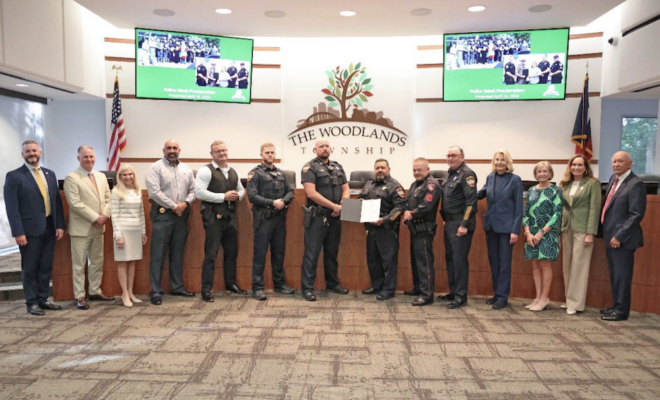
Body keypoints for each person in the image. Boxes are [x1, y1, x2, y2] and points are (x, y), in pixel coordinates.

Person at [4, 140, 65, 316]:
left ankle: (43, 299)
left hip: (49, 228)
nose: (32, 154)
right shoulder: (14, 176)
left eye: (34, 151)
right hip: (29, 231)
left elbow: (57, 203)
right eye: (28, 151)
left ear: (40, 153)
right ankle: (31, 302)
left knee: (45, 266)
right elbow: (12, 208)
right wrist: (18, 232)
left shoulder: (50, 174)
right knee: (30, 267)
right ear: (23, 154)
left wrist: (59, 225)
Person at [145, 140, 196, 305]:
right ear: (164, 150)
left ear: (179, 150)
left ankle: (177, 287)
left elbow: (194, 190)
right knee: (158, 253)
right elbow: (154, 192)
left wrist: (185, 203)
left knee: (177, 252)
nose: (172, 151)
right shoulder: (155, 167)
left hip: (182, 215)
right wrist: (174, 206)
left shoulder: (186, 169)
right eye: (169, 148)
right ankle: (156, 290)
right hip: (163, 215)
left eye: (175, 148)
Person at [195, 141, 247, 302]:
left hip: (230, 218)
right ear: (212, 154)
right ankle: (206, 289)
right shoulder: (205, 171)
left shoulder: (233, 171)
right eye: (218, 151)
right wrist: (222, 197)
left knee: (232, 253)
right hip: (213, 218)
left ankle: (230, 283)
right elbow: (198, 192)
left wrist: (238, 196)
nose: (222, 153)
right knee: (211, 254)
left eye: (224, 150)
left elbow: (241, 190)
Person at [63, 146, 114, 310]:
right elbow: (75, 203)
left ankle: (94, 291)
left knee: (97, 261)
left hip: (99, 227)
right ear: (78, 158)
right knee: (79, 264)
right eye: (85, 157)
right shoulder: (71, 178)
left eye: (91, 156)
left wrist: (104, 216)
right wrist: (95, 217)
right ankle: (80, 295)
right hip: (81, 228)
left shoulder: (100, 176)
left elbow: (109, 199)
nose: (89, 159)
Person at [300, 140, 350, 301]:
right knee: (312, 253)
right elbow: (311, 193)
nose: (324, 149)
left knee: (332, 252)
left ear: (331, 149)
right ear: (315, 150)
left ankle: (332, 283)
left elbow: (346, 188)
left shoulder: (338, 166)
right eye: (321, 147)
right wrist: (334, 206)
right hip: (317, 216)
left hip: (335, 216)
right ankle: (307, 288)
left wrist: (342, 204)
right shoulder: (310, 167)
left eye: (327, 146)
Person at [600, 151, 647, 321]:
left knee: (622, 275)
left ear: (630, 163)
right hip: (610, 236)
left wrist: (619, 236)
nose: (616, 164)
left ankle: (621, 311)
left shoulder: (636, 184)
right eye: (614, 161)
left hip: (623, 240)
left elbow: (636, 214)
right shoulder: (614, 179)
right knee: (615, 275)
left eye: (620, 161)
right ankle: (616, 306)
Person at [247, 143, 296, 301]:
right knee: (260, 253)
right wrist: (272, 202)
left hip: (279, 218)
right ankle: (258, 287)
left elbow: (291, 191)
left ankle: (279, 284)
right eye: (267, 152)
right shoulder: (255, 174)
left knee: (279, 252)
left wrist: (283, 200)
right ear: (261, 154)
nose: (270, 155)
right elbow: (252, 196)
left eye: (272, 152)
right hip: (263, 219)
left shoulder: (282, 173)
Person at [477, 150, 523, 310]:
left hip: (507, 229)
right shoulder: (490, 177)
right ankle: (497, 293)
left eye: (502, 160)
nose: (499, 162)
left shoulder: (515, 180)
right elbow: (482, 193)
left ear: (508, 162)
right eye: (496, 159)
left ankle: (503, 297)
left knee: (504, 264)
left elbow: (519, 209)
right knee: (494, 262)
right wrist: (465, 193)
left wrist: (515, 230)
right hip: (491, 227)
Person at [559, 155, 601, 315]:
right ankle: (569, 299)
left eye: (579, 165)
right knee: (567, 264)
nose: (576, 167)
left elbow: (594, 209)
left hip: (583, 228)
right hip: (567, 227)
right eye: (573, 165)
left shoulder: (592, 183)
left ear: (585, 167)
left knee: (579, 265)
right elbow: (565, 206)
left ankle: (576, 303)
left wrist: (590, 232)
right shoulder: (565, 184)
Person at [359, 159, 406, 301]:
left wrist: (384, 220)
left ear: (388, 169)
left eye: (382, 168)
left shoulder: (395, 186)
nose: (380, 170)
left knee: (388, 261)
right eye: (377, 168)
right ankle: (377, 285)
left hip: (387, 228)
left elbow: (400, 208)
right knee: (373, 259)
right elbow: (362, 196)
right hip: (371, 227)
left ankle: (388, 289)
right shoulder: (369, 184)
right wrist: (361, 200)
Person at [439, 146, 478, 309]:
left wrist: (464, 225)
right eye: (448, 155)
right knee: (451, 259)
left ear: (462, 157)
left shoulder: (467, 174)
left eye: (453, 155)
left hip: (460, 224)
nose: (450, 158)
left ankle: (461, 296)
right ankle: (454, 291)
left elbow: (471, 202)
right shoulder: (450, 174)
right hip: (449, 223)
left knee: (459, 260)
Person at [523, 161, 562, 312]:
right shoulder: (532, 190)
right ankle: (538, 297)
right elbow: (526, 212)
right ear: (536, 174)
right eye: (539, 171)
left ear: (550, 173)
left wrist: (541, 233)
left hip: (547, 233)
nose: (542, 174)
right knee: (535, 264)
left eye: (545, 171)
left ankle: (544, 298)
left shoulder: (555, 190)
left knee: (545, 265)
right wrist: (527, 233)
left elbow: (557, 214)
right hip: (531, 234)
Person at [402, 158, 441, 306]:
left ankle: (427, 295)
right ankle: (418, 288)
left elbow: (427, 205)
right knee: (416, 261)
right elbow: (407, 201)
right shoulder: (415, 185)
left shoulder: (432, 185)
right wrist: (406, 209)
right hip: (415, 229)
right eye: (414, 170)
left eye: (419, 170)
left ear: (428, 170)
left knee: (425, 263)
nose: (416, 172)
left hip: (424, 229)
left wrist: (411, 212)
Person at [111, 164, 147, 308]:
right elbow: (114, 215)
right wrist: (118, 235)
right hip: (123, 231)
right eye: (124, 175)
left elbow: (141, 213)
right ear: (119, 177)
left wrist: (143, 231)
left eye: (130, 174)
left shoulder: (137, 191)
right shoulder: (116, 191)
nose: (128, 177)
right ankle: (124, 293)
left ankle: (131, 292)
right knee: (123, 262)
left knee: (133, 262)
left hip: (136, 230)